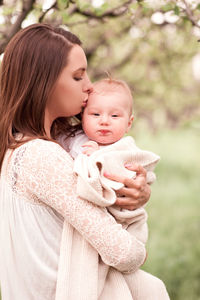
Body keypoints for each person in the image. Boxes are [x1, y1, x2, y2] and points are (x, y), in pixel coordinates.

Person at [0, 23, 167, 300]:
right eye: (78, 77)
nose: (90, 87)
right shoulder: (41, 155)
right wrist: (140, 251)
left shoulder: (24, 145)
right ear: (44, 82)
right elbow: (122, 253)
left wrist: (135, 191)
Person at [59, 78, 170, 300]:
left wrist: (97, 158)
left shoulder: (125, 148)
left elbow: (126, 174)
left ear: (129, 123)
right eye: (96, 114)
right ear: (83, 117)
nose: (104, 122)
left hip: (123, 226)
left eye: (114, 116)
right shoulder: (73, 140)